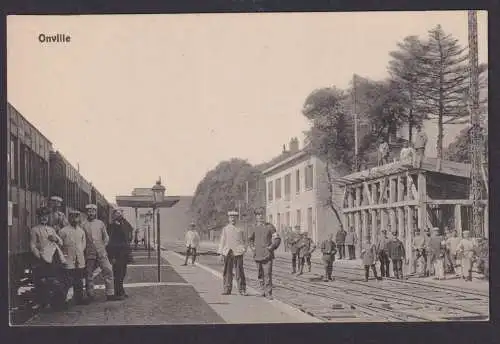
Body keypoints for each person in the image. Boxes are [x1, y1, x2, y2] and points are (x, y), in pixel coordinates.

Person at [30, 206, 68, 311]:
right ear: (38, 217)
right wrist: (39, 256)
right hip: (43, 257)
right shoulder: (35, 229)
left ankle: (55, 302)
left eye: (45, 216)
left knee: (55, 280)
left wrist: (55, 238)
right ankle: (43, 302)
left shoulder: (51, 229)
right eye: (42, 216)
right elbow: (33, 245)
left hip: (55, 257)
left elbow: (61, 242)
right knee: (42, 281)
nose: (44, 218)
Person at [82, 204, 122, 301]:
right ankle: (90, 294)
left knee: (108, 270)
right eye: (89, 211)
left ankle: (110, 293)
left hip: (101, 252)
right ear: (87, 212)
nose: (91, 213)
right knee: (89, 274)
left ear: (95, 212)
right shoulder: (83, 225)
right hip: (89, 252)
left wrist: (103, 247)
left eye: (93, 211)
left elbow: (106, 237)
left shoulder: (100, 223)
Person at [247, 208, 281, 299]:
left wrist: (272, 247)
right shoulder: (253, 227)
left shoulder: (270, 227)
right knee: (260, 274)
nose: (260, 216)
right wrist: (253, 248)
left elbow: (277, 239)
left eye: (262, 214)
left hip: (267, 255)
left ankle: (269, 292)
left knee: (268, 274)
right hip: (257, 255)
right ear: (256, 216)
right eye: (258, 214)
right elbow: (250, 239)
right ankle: (262, 290)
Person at [59, 210, 90, 305]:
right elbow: (60, 245)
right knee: (67, 281)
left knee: (79, 281)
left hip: (79, 259)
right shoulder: (63, 231)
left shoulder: (81, 231)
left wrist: (79, 251)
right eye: (72, 217)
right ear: (69, 218)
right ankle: (63, 300)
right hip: (68, 259)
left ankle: (79, 299)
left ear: (79, 219)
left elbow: (83, 243)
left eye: (76, 217)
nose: (74, 220)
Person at [218, 210, 247, 295]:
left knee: (239, 271)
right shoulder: (225, 229)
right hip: (228, 252)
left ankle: (242, 289)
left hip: (238, 252)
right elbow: (222, 241)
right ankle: (227, 289)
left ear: (237, 218)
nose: (233, 219)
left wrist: (244, 249)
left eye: (234, 217)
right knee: (227, 271)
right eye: (231, 217)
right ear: (228, 218)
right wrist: (220, 253)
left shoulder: (241, 228)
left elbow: (245, 241)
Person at [107, 209, 133, 298]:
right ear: (113, 215)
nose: (119, 215)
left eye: (120, 213)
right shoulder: (111, 226)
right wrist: (112, 256)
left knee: (123, 273)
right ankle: (118, 292)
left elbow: (130, 231)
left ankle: (121, 290)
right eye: (117, 213)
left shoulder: (124, 224)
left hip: (124, 253)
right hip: (116, 254)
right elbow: (109, 242)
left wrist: (122, 222)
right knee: (117, 273)